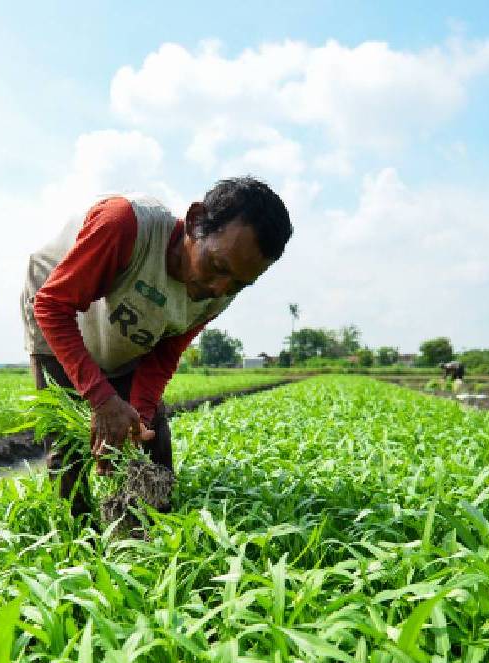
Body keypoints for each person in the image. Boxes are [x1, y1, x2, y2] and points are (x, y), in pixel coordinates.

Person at [19, 177, 293, 518]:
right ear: (194, 223)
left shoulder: (220, 286)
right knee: (68, 449)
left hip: (124, 325)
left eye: (239, 283)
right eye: (218, 267)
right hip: (58, 309)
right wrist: (102, 400)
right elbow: (53, 306)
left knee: (152, 441)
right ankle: (75, 539)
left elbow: (165, 354)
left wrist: (140, 415)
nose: (220, 287)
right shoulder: (125, 225)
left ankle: (143, 533)